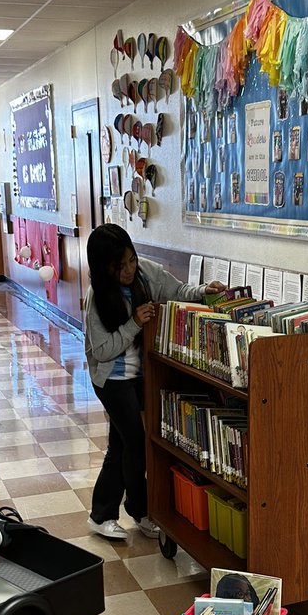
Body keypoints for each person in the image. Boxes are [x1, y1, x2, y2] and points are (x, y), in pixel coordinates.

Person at [84, 224, 225, 541]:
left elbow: (177, 291)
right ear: (103, 268)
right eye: (120, 266)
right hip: (112, 380)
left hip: (140, 376)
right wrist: (134, 323)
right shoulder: (97, 297)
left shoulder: (145, 273)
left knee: (122, 445)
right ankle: (139, 510)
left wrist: (204, 291)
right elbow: (102, 350)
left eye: (131, 260)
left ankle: (105, 514)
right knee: (134, 445)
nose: (129, 270)